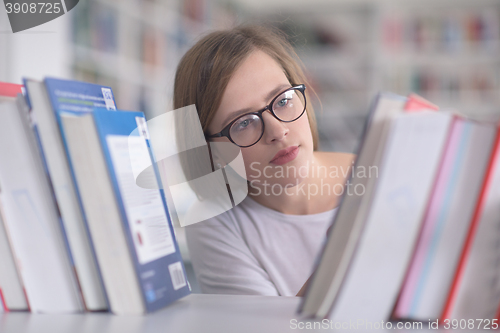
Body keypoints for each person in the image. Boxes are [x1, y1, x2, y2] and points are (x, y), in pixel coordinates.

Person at [173, 25, 355, 296]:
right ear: (211, 151)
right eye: (244, 122)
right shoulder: (216, 223)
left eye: (283, 100)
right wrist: (340, 266)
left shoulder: (381, 170)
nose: (278, 131)